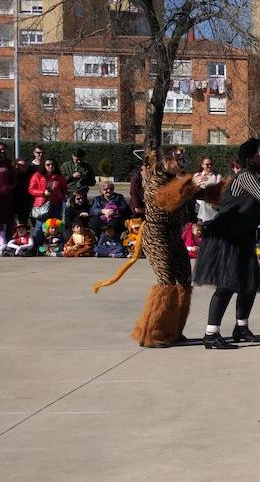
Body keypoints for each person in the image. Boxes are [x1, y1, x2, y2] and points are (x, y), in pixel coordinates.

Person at [93, 147, 225, 347]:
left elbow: (206, 196)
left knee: (183, 279)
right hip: (156, 234)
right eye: (178, 158)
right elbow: (168, 199)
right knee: (165, 280)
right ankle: (151, 334)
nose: (182, 161)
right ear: (165, 162)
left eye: (183, 158)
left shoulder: (176, 180)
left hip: (173, 233)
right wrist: (191, 184)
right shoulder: (155, 181)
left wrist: (217, 186)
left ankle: (172, 330)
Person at [193, 139, 260, 349]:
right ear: (252, 158)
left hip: (243, 236)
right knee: (227, 284)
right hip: (226, 236)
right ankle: (211, 334)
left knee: (248, 283)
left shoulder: (259, 178)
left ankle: (241, 328)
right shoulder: (246, 177)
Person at [28, 157, 67, 227]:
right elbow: (31, 189)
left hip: (56, 204)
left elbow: (64, 188)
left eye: (52, 164)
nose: (51, 166)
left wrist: (60, 196)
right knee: (39, 227)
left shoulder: (59, 176)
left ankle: (53, 238)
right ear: (44, 165)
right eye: (48, 165)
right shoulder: (37, 175)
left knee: (54, 226)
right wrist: (43, 192)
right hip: (42, 204)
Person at [0, 143, 14, 230]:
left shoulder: (7, 164)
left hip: (5, 197)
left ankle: (4, 238)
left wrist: (8, 187)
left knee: (4, 219)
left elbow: (15, 180)